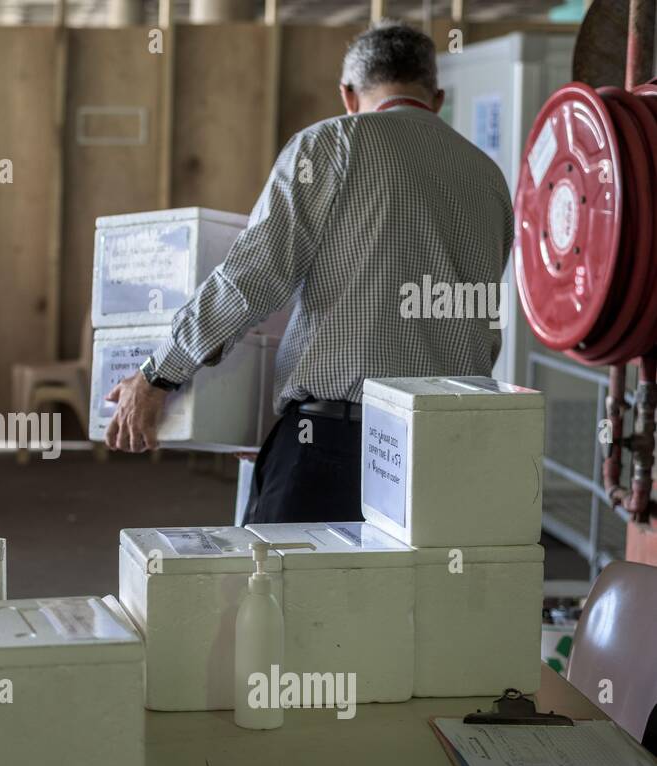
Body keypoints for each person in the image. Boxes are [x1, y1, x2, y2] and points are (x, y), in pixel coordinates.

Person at [105, 21, 512, 524]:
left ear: (347, 94)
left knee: (287, 599)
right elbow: (483, 322)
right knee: (410, 601)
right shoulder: (487, 177)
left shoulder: (329, 147)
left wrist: (157, 374)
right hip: (445, 451)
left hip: (333, 447)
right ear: (438, 97)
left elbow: (251, 279)